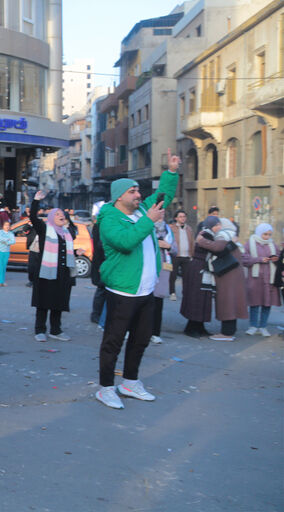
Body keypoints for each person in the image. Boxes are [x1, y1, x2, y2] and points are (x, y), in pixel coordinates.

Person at [94, 151, 180, 410]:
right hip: (122, 291)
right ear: (119, 196)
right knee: (113, 341)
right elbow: (125, 242)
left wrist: (171, 172)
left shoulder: (142, 209)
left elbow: (163, 197)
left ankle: (130, 382)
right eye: (132, 191)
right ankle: (106, 388)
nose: (138, 195)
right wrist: (148, 221)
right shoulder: (109, 218)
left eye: (138, 191)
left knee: (141, 339)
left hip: (145, 291)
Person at [29, 190, 78, 342]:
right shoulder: (45, 229)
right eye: (57, 214)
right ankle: (40, 330)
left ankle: (56, 330)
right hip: (46, 271)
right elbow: (33, 218)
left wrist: (76, 252)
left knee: (58, 302)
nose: (61, 215)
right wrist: (36, 200)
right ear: (51, 217)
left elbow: (64, 251)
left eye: (62, 214)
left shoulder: (67, 233)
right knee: (43, 302)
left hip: (62, 273)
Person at [179, 216, 222, 337]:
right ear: (212, 225)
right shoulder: (206, 235)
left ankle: (200, 326)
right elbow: (216, 249)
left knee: (204, 298)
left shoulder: (207, 234)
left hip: (203, 268)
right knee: (197, 299)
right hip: (199, 269)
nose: (219, 227)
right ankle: (191, 327)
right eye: (217, 224)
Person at [208, 218, 247, 341]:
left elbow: (217, 250)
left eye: (219, 224)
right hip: (235, 275)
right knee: (232, 302)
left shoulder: (223, 236)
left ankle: (226, 333)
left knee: (227, 302)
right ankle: (229, 331)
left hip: (226, 275)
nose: (218, 226)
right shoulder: (232, 236)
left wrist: (202, 240)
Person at [242, 223, 279, 337]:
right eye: (265, 234)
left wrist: (276, 258)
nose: (267, 237)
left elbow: (279, 256)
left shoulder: (272, 244)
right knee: (254, 303)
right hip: (255, 278)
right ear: (259, 233)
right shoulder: (250, 243)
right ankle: (253, 326)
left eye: (269, 234)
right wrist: (258, 259)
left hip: (269, 279)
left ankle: (263, 326)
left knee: (267, 304)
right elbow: (244, 259)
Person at [150, 218, 176, 344]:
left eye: (163, 214)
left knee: (158, 302)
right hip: (149, 268)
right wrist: (156, 242)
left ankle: (155, 333)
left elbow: (175, 249)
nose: (161, 217)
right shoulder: (147, 227)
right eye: (159, 213)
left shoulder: (168, 230)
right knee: (144, 303)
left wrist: (169, 246)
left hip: (164, 269)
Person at [168, 210, 194, 301]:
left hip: (186, 255)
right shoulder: (172, 228)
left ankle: (186, 293)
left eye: (184, 216)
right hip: (175, 255)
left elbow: (192, 242)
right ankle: (172, 292)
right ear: (176, 218)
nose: (183, 218)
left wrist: (192, 254)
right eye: (180, 216)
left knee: (187, 276)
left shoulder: (189, 229)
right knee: (173, 275)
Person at [0, 220, 15, 287]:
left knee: (3, 267)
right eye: (5, 225)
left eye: (8, 225)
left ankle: (2, 281)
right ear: (3, 226)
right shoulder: (0, 232)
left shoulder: (11, 234)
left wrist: (6, 242)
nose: (7, 227)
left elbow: (13, 241)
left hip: (6, 252)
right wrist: (7, 240)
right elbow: (0, 239)